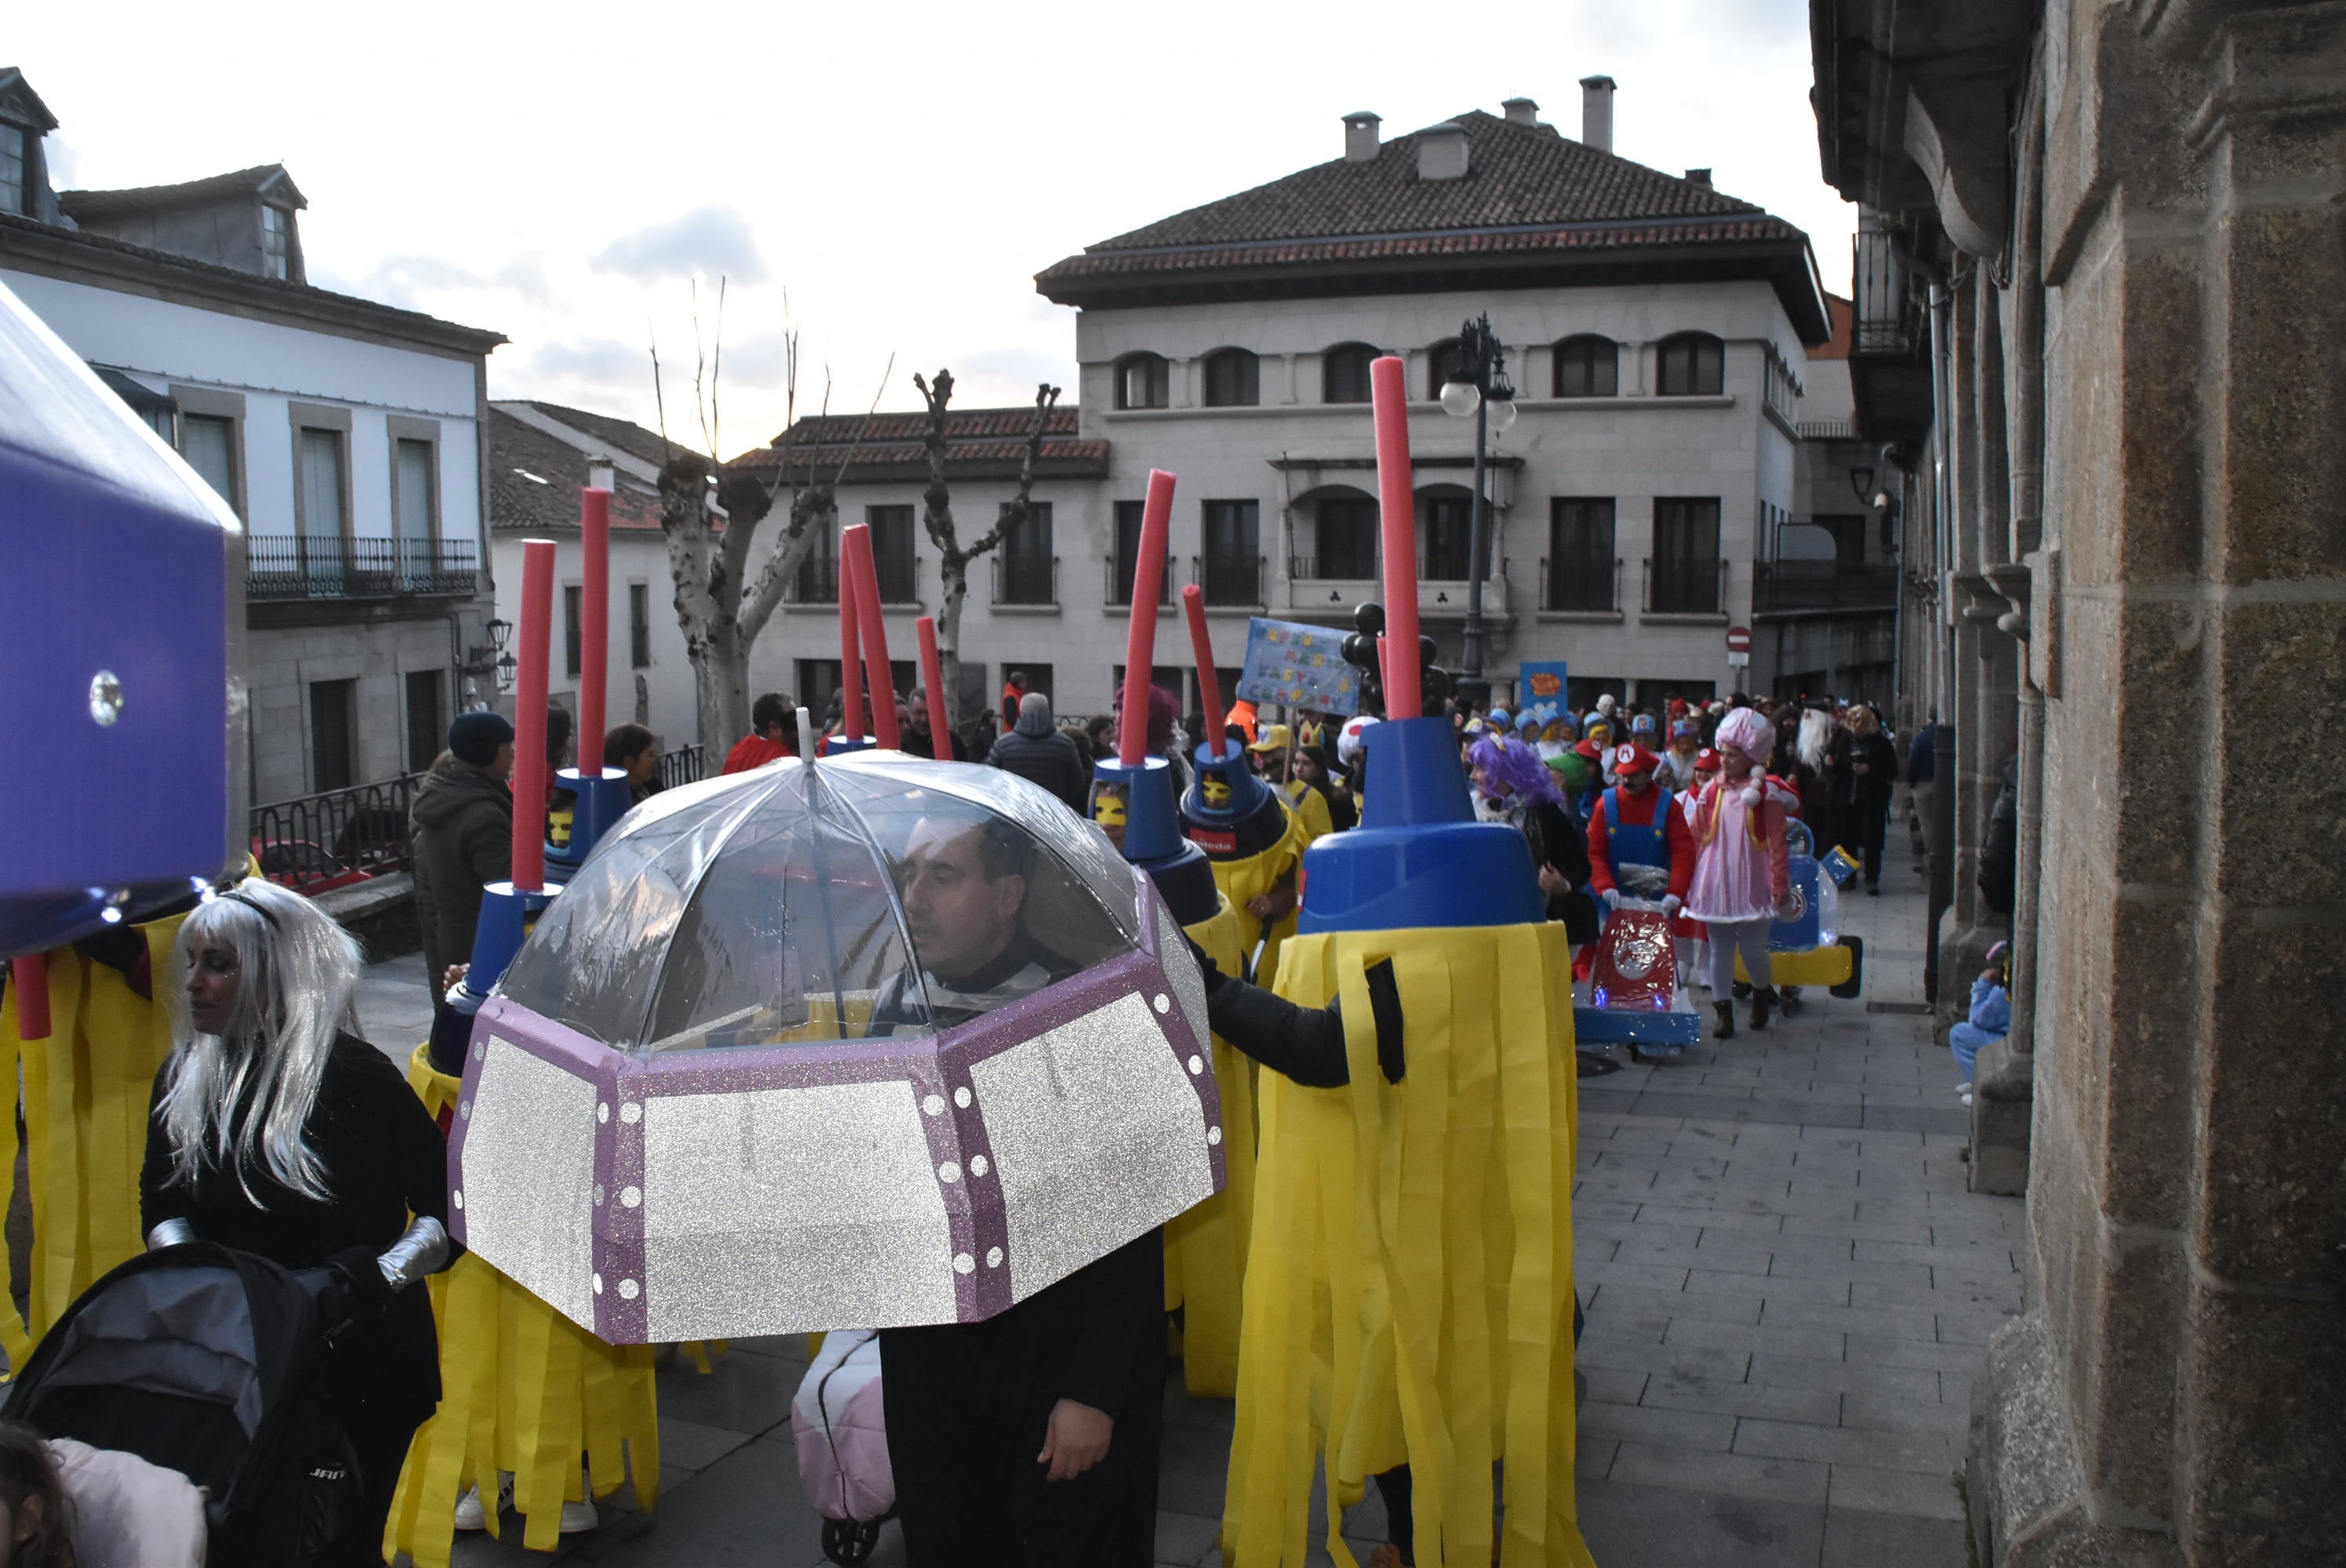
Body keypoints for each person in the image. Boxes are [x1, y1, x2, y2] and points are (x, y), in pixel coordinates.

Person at [871, 815, 1161, 1567]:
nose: (917, 897)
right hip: (929, 1366)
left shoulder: (1076, 1010)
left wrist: (1094, 1390)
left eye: (943, 875)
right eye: (909, 874)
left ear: (1007, 894)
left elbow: (1130, 1215)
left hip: (1050, 1361)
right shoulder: (895, 1004)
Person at [140, 880, 455, 1556]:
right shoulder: (185, 1076)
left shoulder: (357, 1078)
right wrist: (200, 1273)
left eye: (219, 964)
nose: (194, 982)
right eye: (191, 961)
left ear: (275, 976)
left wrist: (370, 1279)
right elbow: (162, 1204)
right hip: (237, 1360)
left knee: (341, 1542)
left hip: (360, 1365)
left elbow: (450, 1208)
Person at [1683, 707, 1796, 1038]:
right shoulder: (1711, 791)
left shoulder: (1766, 793)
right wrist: (1683, 874)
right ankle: (1723, 1013)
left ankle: (1762, 993)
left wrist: (1779, 882)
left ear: (1749, 756)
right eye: (1724, 754)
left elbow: (1777, 842)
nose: (1724, 760)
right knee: (1719, 947)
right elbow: (1694, 835)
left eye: (1732, 755)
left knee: (1752, 948)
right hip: (1716, 877)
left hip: (1752, 878)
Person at [410, 710, 514, 1005]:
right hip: (481, 942)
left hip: (450, 935)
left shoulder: (446, 795)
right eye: (508, 747)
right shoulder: (483, 815)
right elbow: (506, 886)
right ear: (490, 753)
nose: (513, 754)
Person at [987, 692, 1089, 813]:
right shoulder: (1065, 745)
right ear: (1047, 713)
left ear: (1021, 712)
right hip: (1054, 815)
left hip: (1014, 814)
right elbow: (1077, 784)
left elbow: (990, 780)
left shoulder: (1003, 745)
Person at [1837, 704, 1900, 894]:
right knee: (1847, 838)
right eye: (1853, 720)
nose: (1855, 724)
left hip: (1872, 799)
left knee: (1872, 840)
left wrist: (1871, 770)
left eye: (1859, 720)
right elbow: (1838, 762)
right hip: (1848, 796)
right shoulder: (1844, 741)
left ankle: (1872, 879)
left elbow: (1892, 771)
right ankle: (1848, 877)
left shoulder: (1881, 743)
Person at [1950, 942, 2012, 1106]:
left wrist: (1983, 984)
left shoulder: (2004, 992)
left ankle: (1980, 1087)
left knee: (1959, 1034)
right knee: (1969, 1033)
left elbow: (1976, 1019)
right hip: (2007, 1036)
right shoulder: (2005, 990)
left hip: (2005, 1042)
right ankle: (1977, 1078)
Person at [1247, 724, 1334, 841]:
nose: (1264, 760)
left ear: (1288, 753)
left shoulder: (1312, 798)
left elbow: (1322, 845)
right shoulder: (1253, 791)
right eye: (1261, 754)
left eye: (1270, 753)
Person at [722, 693, 797, 775]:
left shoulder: (740, 748)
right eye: (792, 720)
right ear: (774, 728)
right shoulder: (782, 759)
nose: (799, 726)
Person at [1291, 745, 1356, 833]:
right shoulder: (1287, 794)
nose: (1299, 769)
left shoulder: (1337, 801)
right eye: (1296, 762)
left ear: (1318, 770)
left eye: (1306, 764)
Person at [602, 722, 662, 806]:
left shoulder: (647, 787)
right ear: (629, 762)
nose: (655, 759)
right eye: (650, 755)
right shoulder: (620, 803)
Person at [1654, 719, 1704, 793]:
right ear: (1676, 743)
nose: (1685, 746)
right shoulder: (1666, 757)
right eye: (1682, 743)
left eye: (1688, 743)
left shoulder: (1699, 757)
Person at [1000, 670, 1030, 735]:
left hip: (1016, 731)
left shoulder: (1016, 694)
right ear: (1019, 683)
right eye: (1024, 682)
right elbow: (1011, 718)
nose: (1026, 684)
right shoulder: (1010, 697)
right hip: (1013, 732)